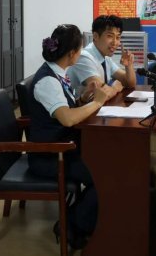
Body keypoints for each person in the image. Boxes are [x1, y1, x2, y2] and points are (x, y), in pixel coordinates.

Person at [27, 24, 111, 249]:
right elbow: (67, 119)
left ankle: (81, 218)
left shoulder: (58, 73)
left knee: (108, 166)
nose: (81, 54)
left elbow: (66, 108)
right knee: (105, 176)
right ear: (72, 53)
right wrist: (97, 102)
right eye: (80, 50)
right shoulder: (47, 81)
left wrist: (83, 98)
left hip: (64, 148)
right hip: (50, 156)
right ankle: (72, 225)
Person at [67, 15, 136, 102]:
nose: (115, 42)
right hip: (79, 109)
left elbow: (130, 83)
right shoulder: (84, 57)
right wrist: (115, 88)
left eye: (118, 37)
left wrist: (129, 65)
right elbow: (100, 94)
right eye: (110, 36)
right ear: (95, 36)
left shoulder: (105, 57)